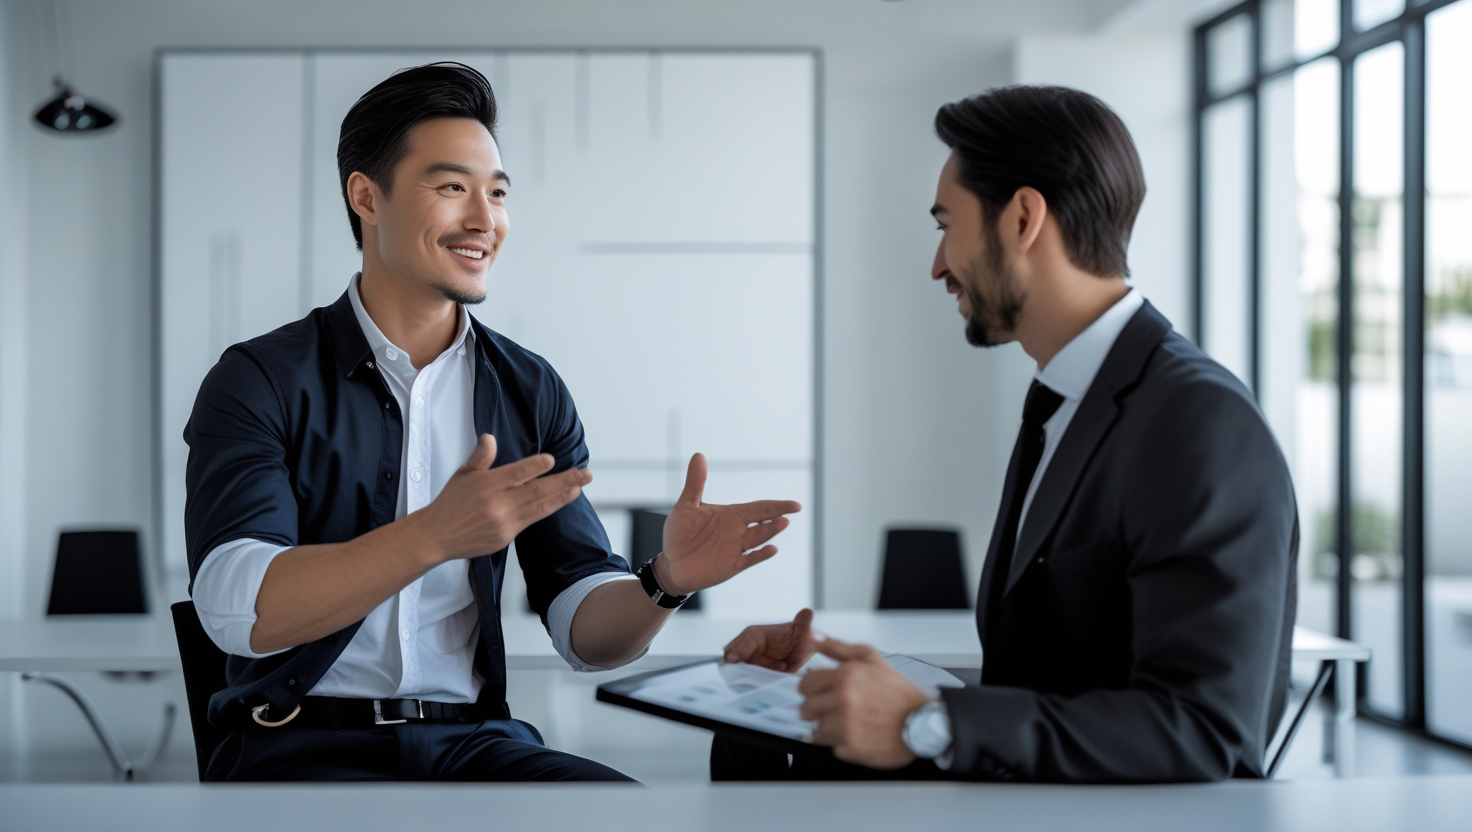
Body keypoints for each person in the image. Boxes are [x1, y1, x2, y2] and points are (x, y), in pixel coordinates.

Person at [184, 62, 801, 782]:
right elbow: (235, 607)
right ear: (366, 196)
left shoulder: (528, 388)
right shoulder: (260, 378)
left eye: (498, 193)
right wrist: (431, 536)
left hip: (471, 743)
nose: (485, 219)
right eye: (452, 188)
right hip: (296, 749)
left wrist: (664, 580)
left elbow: (582, 625)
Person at [715, 85, 1297, 783]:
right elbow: (1048, 679)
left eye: (945, 225)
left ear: (1022, 217)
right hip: (1032, 800)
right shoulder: (1064, 400)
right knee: (751, 746)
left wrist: (926, 724)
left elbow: (1205, 730)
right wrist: (856, 689)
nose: (937, 265)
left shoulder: (1199, 421)